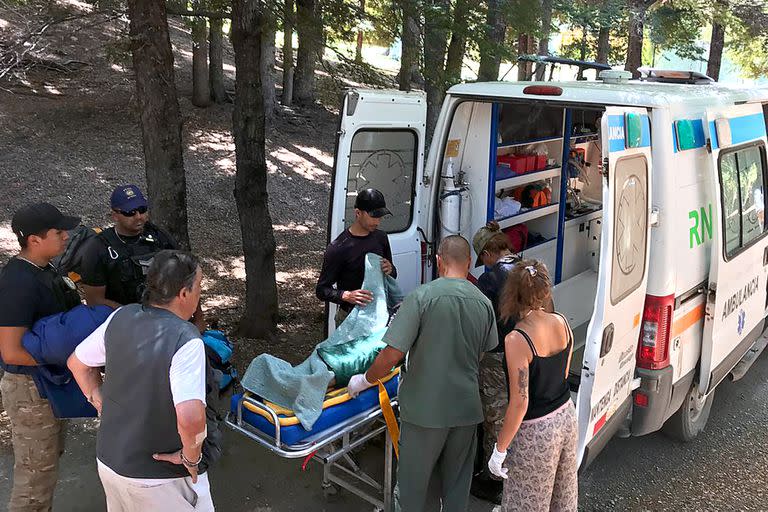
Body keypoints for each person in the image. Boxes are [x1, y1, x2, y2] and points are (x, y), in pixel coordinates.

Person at [347, 235, 498, 512]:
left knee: (413, 490)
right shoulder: (483, 303)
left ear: (439, 261)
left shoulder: (422, 298)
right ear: (468, 263)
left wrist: (364, 380)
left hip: (424, 413)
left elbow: (392, 355)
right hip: (465, 411)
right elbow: (481, 355)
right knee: (455, 488)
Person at [67, 250, 214, 511]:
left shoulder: (122, 316)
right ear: (183, 293)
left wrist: (98, 400)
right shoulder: (186, 339)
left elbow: (77, 363)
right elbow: (191, 418)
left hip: (111, 461)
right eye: (199, 287)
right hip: (158, 477)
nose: (199, 293)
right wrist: (191, 458)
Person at [0, 202, 82, 511]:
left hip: (47, 384)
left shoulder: (45, 269)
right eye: (58, 232)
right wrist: (68, 360)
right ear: (34, 239)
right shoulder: (18, 283)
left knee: (46, 467)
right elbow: (10, 351)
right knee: (34, 481)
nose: (66, 237)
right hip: (29, 390)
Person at [487, 259, 577, 511]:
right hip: (566, 417)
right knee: (563, 497)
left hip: (537, 432)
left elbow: (520, 401)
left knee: (526, 502)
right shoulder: (561, 322)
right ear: (545, 291)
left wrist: (499, 449)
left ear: (512, 294)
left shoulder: (517, 338)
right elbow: (565, 372)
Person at [470, 221, 519, 504]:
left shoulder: (491, 280)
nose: (484, 265)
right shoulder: (526, 268)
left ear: (489, 252)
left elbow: (482, 323)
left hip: (497, 356)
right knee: (516, 409)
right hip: (525, 351)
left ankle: (494, 480)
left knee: (495, 416)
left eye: (483, 258)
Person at [78, 184, 177, 307]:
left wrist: (198, 318)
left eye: (142, 209)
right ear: (115, 215)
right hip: (122, 319)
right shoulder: (98, 248)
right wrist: (132, 316)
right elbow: (94, 301)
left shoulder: (159, 236)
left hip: (163, 314)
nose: (138, 217)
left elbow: (185, 279)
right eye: (130, 212)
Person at [316, 188, 398, 326]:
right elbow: (322, 290)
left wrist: (390, 269)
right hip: (350, 318)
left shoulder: (381, 238)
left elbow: (393, 275)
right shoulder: (338, 248)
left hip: (378, 314)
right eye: (373, 216)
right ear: (358, 213)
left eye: (380, 216)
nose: (378, 221)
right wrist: (346, 296)